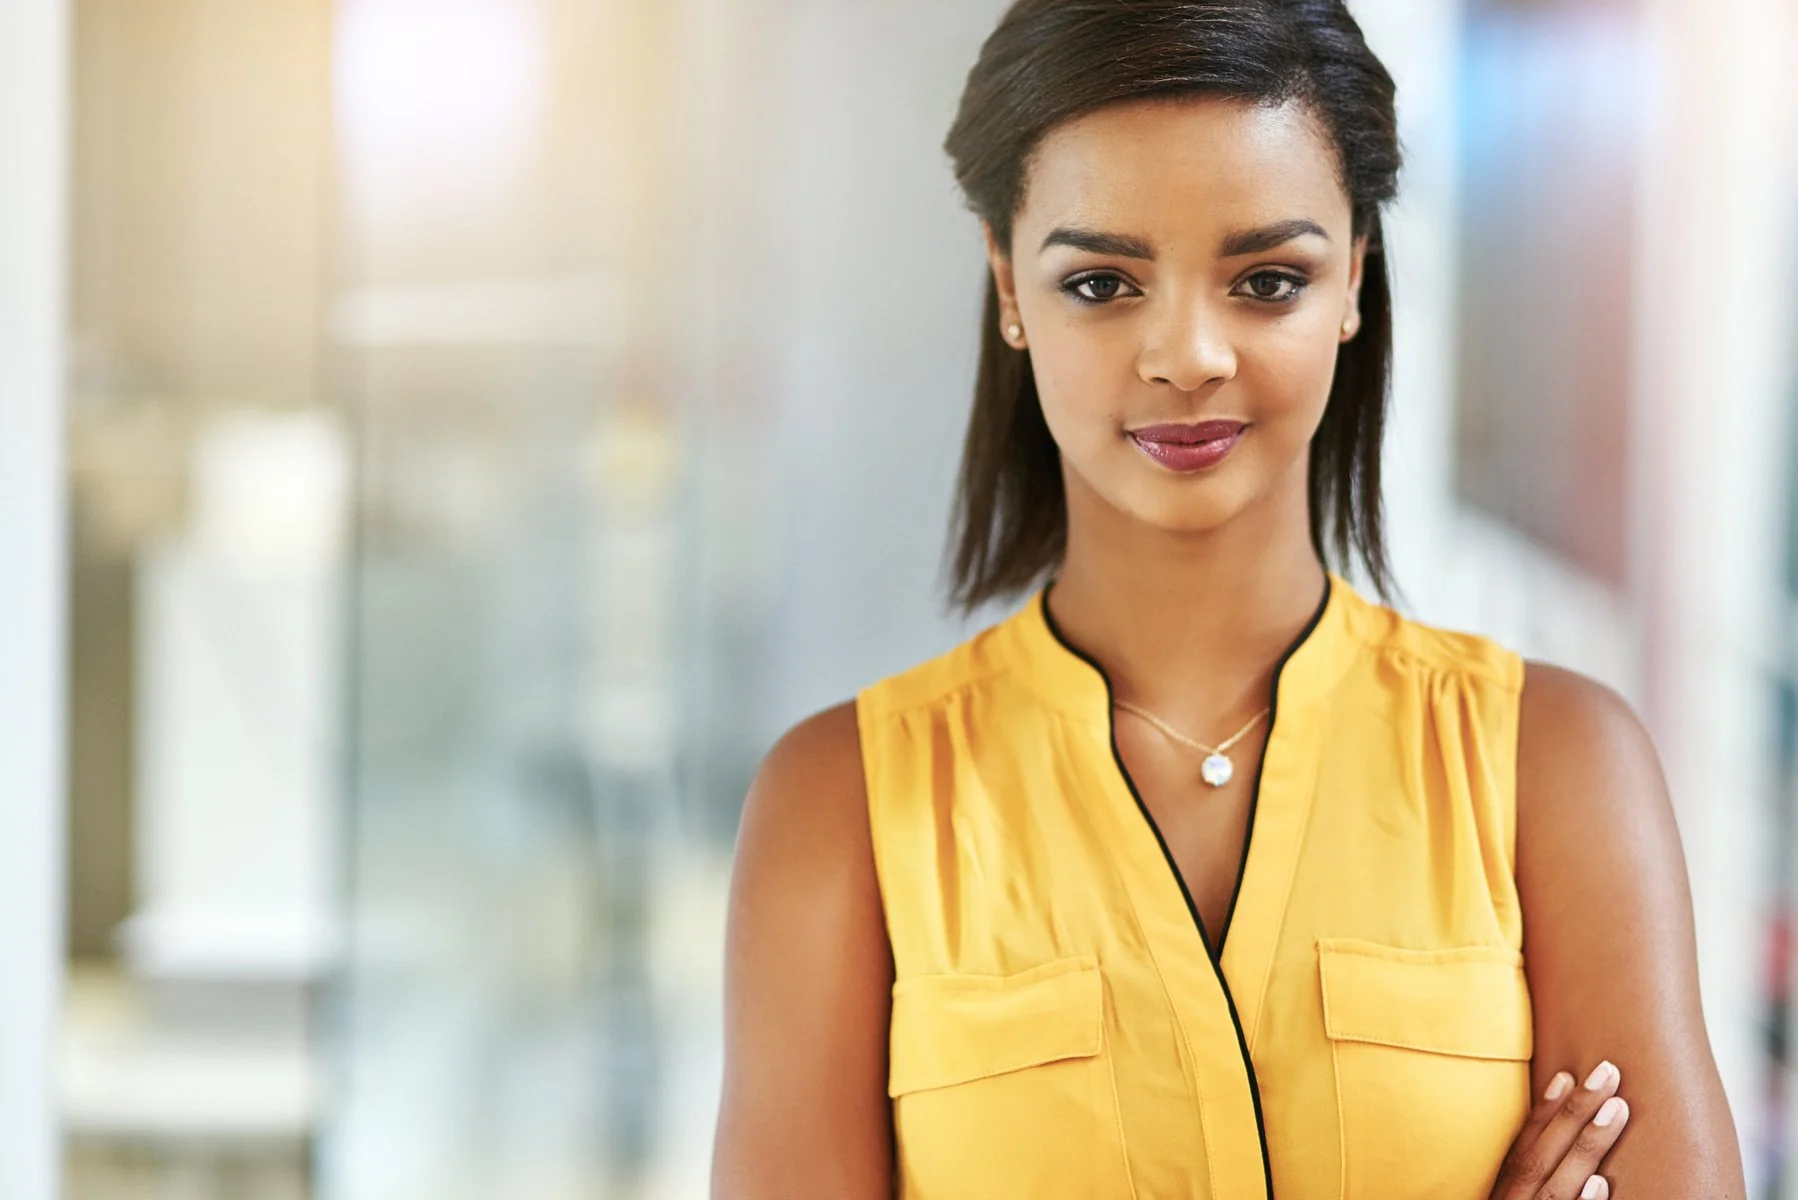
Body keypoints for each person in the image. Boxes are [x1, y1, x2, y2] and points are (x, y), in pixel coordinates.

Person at [711, 1, 1744, 1196]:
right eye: (1102, 283)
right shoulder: (843, 810)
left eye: (1265, 279)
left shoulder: (1552, 773)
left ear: (1353, 278)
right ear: (1007, 285)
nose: (1189, 354)